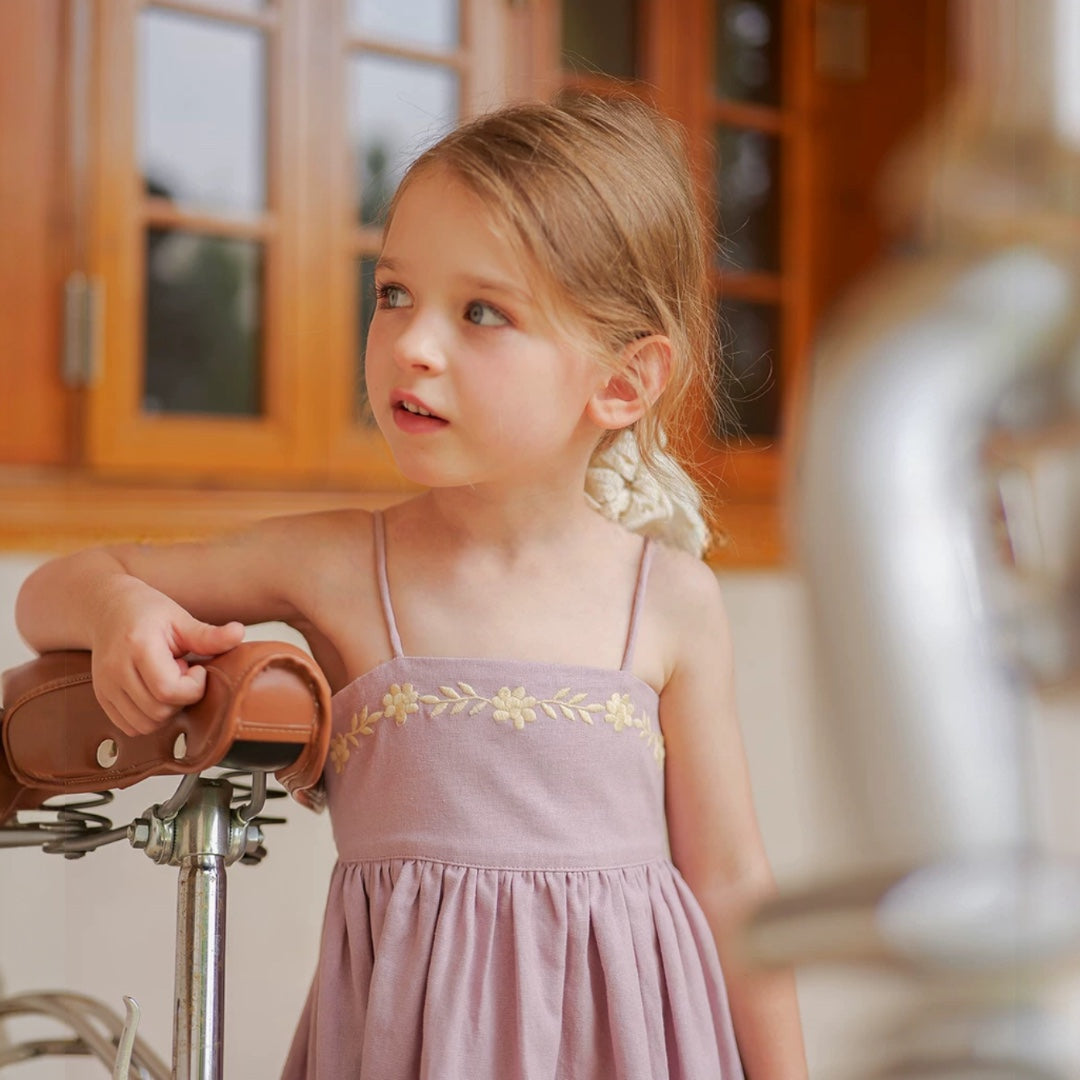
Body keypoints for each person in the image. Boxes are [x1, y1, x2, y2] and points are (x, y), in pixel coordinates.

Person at [16, 93, 808, 1079]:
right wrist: (118, 609)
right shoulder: (340, 565)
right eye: (393, 293)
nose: (412, 344)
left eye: (483, 312)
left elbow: (731, 883)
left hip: (639, 1049)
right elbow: (55, 586)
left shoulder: (671, 599)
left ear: (623, 382)